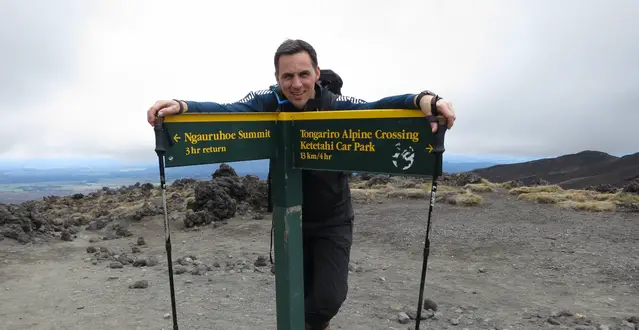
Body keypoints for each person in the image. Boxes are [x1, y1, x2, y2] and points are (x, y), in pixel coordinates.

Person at [146, 39, 456, 330]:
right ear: (277, 77)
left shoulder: (334, 103)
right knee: (299, 293)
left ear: (317, 73)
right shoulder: (269, 101)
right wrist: (182, 106)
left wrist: (422, 98)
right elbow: (229, 110)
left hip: (333, 219)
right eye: (288, 76)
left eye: (304, 74)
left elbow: (377, 106)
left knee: (327, 299)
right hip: (288, 220)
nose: (296, 84)